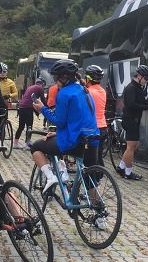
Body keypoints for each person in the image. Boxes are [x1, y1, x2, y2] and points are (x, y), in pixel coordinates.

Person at [31, 59, 99, 194]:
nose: (54, 81)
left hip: (74, 141)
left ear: (64, 78)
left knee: (36, 147)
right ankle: (98, 206)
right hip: (92, 139)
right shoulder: (84, 90)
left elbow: (60, 121)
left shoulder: (64, 93)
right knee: (89, 179)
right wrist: (58, 133)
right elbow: (79, 119)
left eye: (55, 78)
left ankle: (51, 178)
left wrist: (42, 109)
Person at [116, 64, 148, 180]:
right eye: (145, 78)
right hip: (130, 119)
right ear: (139, 76)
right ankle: (128, 173)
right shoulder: (131, 87)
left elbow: (142, 102)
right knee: (131, 147)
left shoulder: (138, 87)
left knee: (135, 145)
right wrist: (146, 107)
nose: (146, 81)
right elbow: (131, 104)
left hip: (134, 120)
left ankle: (121, 166)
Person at [84, 65, 108, 166]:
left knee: (89, 159)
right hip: (103, 127)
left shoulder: (88, 92)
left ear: (88, 78)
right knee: (98, 156)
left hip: (92, 128)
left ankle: (91, 175)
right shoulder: (103, 91)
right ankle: (100, 174)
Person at [14, 76, 45, 149]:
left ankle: (15, 143)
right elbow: (43, 100)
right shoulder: (40, 88)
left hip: (21, 107)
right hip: (28, 108)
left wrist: (36, 111)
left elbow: (31, 99)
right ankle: (27, 143)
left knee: (21, 126)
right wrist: (47, 108)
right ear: (43, 84)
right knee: (29, 126)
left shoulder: (30, 87)